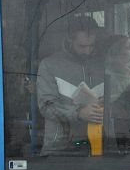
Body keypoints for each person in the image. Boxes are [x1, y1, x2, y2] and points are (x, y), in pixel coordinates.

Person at [36, 15, 104, 154]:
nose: (87, 51)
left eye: (91, 46)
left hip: (101, 145)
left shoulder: (103, 64)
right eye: (82, 46)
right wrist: (78, 113)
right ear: (69, 40)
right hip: (59, 148)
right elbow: (46, 106)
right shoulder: (49, 65)